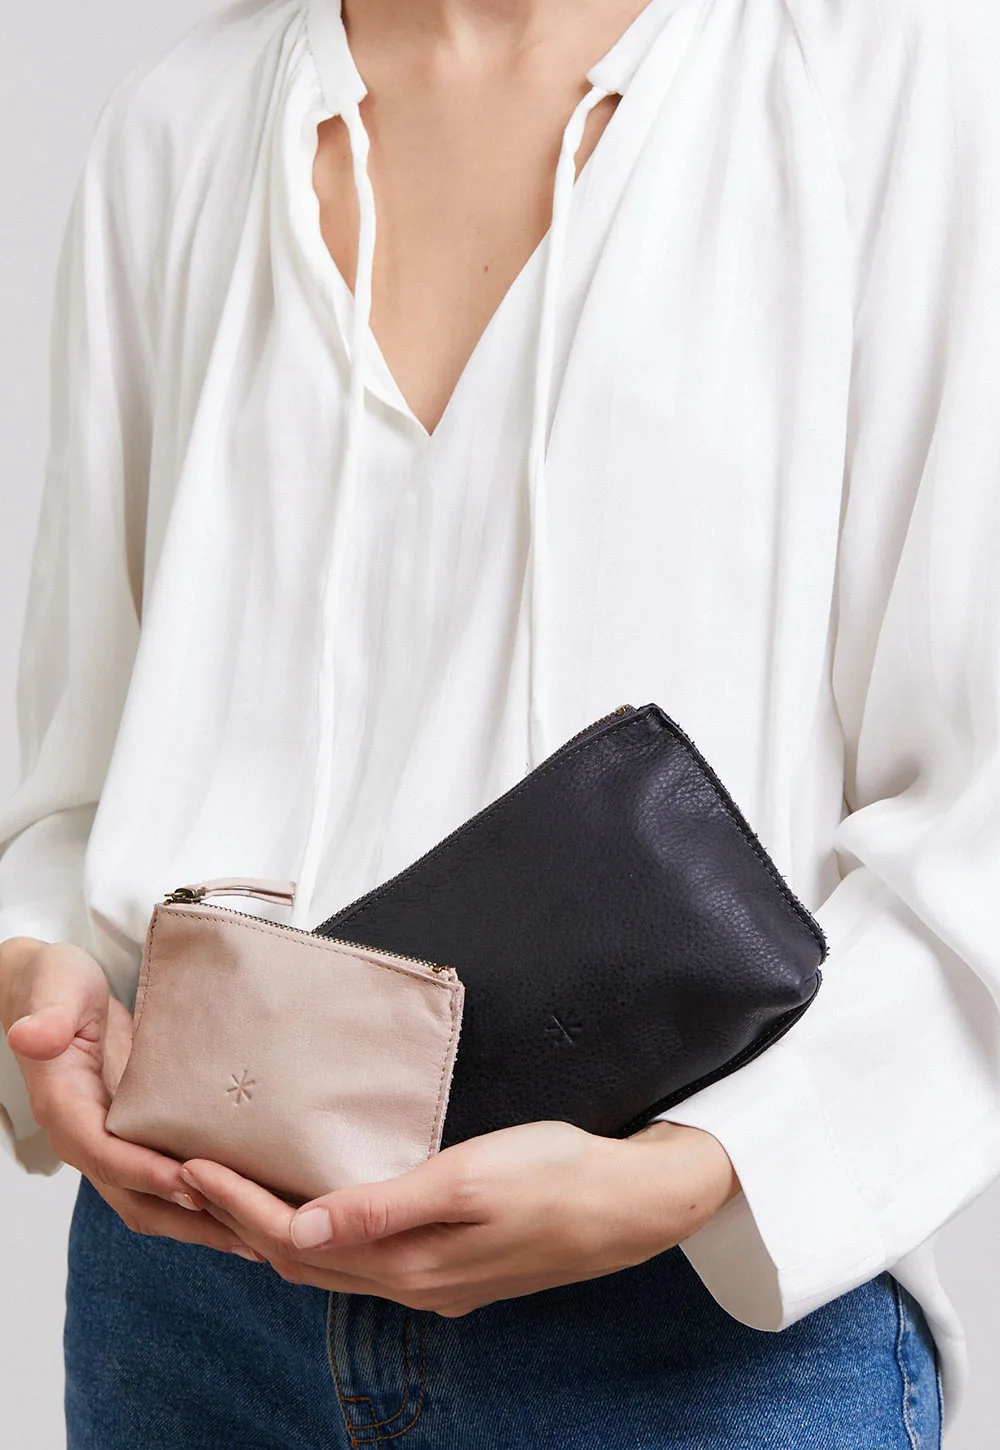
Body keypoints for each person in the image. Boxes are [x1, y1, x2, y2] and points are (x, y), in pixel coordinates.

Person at [1, 0, 998, 1444]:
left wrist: (688, 1174)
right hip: (193, 1304)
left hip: (685, 1335)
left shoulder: (889, 71)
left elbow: (981, 816)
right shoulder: (181, 125)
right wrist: (38, 977)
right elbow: (76, 782)